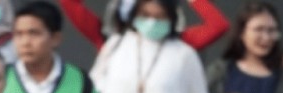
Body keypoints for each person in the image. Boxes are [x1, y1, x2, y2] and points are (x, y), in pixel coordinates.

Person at [59, 0, 229, 52]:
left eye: (159, 15)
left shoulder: (179, 44)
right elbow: (70, 3)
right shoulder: (109, 40)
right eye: (144, 14)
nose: (151, 21)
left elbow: (218, 25)